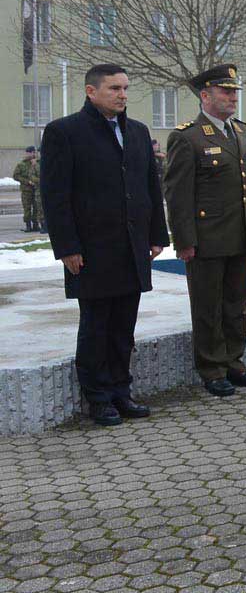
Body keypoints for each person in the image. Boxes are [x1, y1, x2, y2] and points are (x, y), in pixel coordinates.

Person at [40, 64, 169, 426]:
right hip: (92, 250)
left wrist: (158, 235)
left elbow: (150, 188)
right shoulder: (64, 132)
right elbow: (55, 196)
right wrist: (67, 247)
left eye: (125, 88)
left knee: (123, 326)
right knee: (96, 325)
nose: (122, 95)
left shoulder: (139, 132)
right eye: (114, 88)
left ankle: (120, 391)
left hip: (132, 248)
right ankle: (98, 398)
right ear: (91, 91)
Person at [163, 64, 246, 398]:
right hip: (206, 238)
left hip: (241, 233)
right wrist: (184, 241)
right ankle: (211, 368)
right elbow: (177, 195)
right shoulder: (187, 136)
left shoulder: (243, 132)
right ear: (205, 95)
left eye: (235, 91)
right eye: (225, 91)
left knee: (236, 303)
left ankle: (234, 363)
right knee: (208, 305)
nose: (232, 97)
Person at [13, 145, 42, 233]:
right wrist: (27, 181)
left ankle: (36, 225)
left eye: (33, 152)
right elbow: (16, 176)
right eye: (30, 152)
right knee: (27, 208)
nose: (32, 154)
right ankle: (28, 225)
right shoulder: (22, 164)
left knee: (37, 208)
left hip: (36, 189)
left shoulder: (37, 163)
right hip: (26, 190)